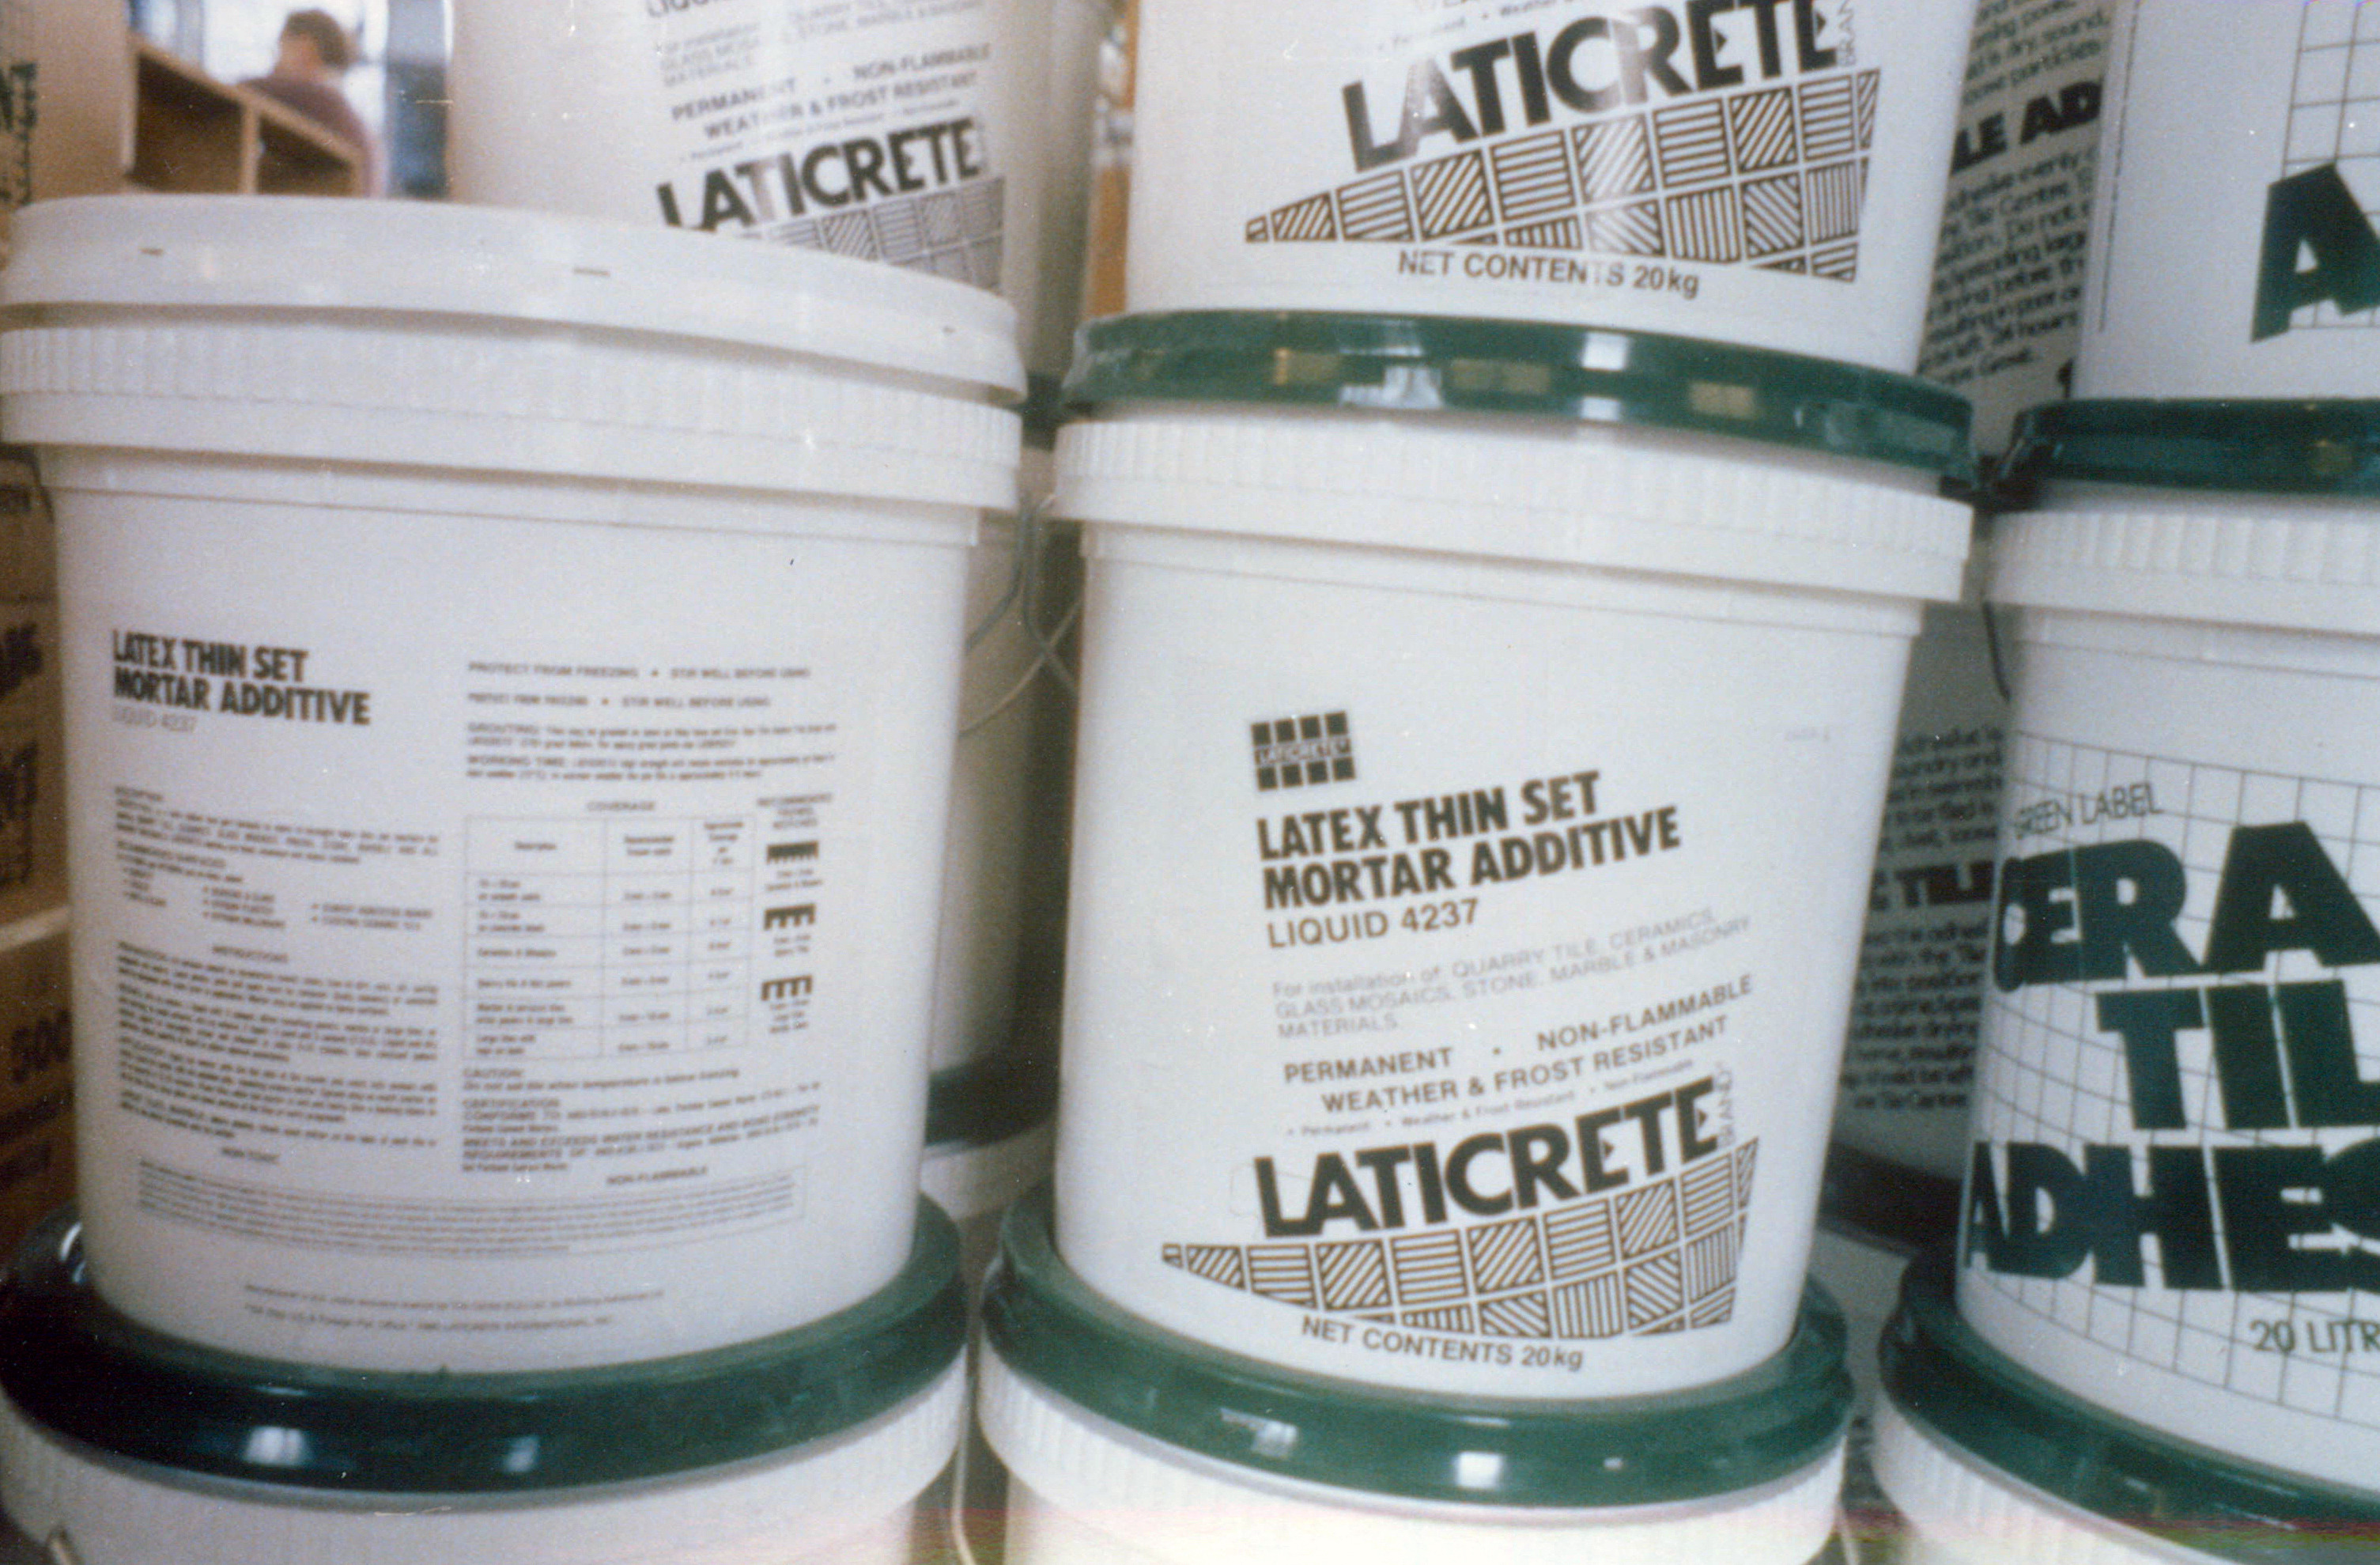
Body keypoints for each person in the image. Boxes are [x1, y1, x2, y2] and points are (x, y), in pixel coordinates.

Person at [241, 9, 380, 192]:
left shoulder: (317, 94)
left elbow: (243, 90)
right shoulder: (334, 98)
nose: (274, 66)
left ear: (304, 48)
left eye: (281, 49)